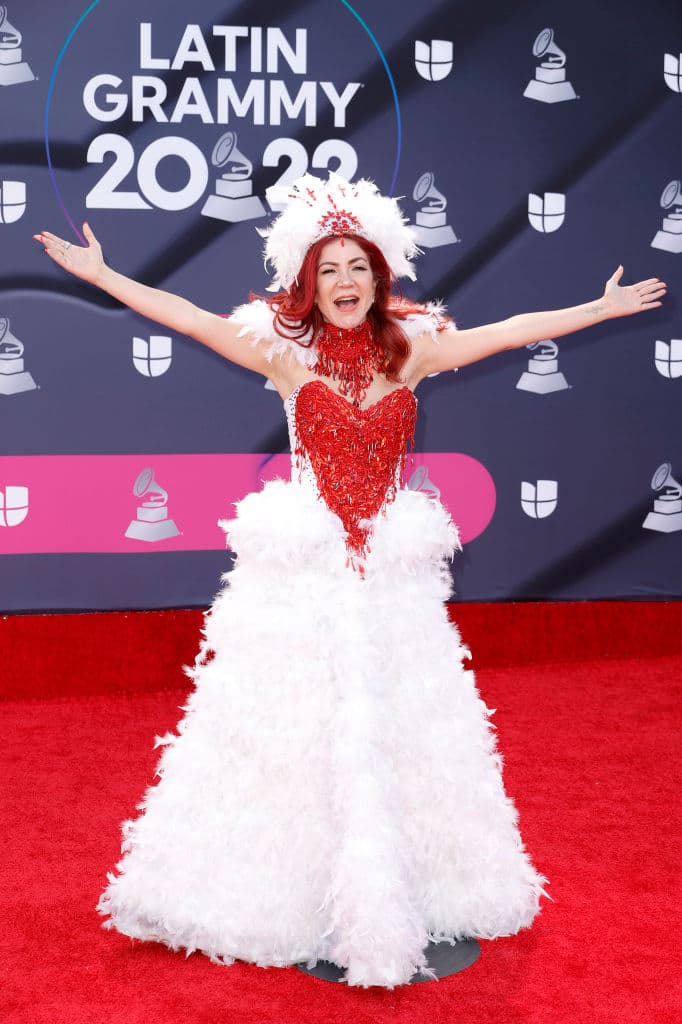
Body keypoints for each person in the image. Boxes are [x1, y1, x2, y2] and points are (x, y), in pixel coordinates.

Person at [35, 173, 665, 988]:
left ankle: (410, 891)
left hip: (390, 582)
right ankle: (295, 900)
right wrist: (104, 277)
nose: (343, 282)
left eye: (357, 268)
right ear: (309, 280)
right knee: (299, 735)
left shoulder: (415, 350)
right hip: (305, 580)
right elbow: (189, 320)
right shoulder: (282, 352)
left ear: (378, 278)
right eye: (328, 268)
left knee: (404, 732)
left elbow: (510, 330)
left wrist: (598, 310)